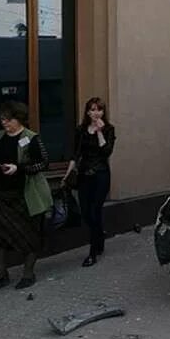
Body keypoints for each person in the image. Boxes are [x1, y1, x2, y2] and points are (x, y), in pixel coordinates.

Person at [0, 101, 52, 291]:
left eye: (9, 119)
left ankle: (28, 274)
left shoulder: (30, 138)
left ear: (19, 119)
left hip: (24, 196)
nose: (5, 123)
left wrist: (19, 168)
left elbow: (43, 163)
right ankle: (1, 274)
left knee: (29, 236)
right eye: (2, 119)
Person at [63, 97, 116, 267]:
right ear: (87, 112)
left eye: (99, 109)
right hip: (84, 175)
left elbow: (106, 151)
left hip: (101, 175)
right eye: (92, 109)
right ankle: (99, 235)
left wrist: (100, 131)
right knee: (86, 213)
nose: (96, 113)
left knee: (95, 210)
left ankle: (93, 252)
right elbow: (76, 153)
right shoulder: (80, 130)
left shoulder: (108, 129)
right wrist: (67, 174)